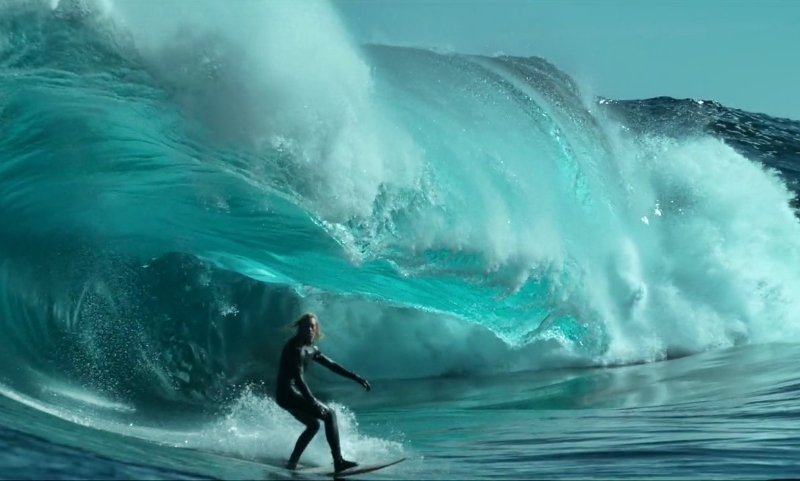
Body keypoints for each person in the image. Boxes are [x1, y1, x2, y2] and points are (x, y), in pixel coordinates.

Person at [275, 313, 371, 472]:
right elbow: (299, 379)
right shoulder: (295, 348)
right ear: (300, 328)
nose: (310, 330)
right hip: (286, 393)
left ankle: (292, 462)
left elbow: (332, 365)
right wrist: (312, 401)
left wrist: (356, 378)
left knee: (313, 425)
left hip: (289, 394)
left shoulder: (312, 349)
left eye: (313, 327)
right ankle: (338, 461)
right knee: (330, 415)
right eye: (306, 327)